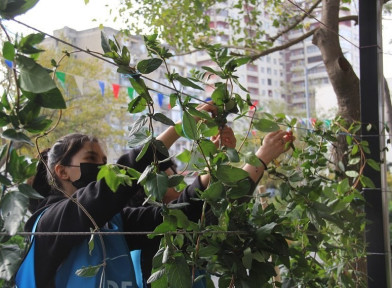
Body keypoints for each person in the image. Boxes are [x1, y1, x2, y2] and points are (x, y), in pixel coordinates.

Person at [15, 102, 293, 288]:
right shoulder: (50, 224)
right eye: (92, 159)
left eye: (105, 160)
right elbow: (106, 192)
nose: (103, 168)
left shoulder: (115, 223)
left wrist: (219, 165)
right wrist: (179, 130)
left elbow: (185, 212)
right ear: (62, 171)